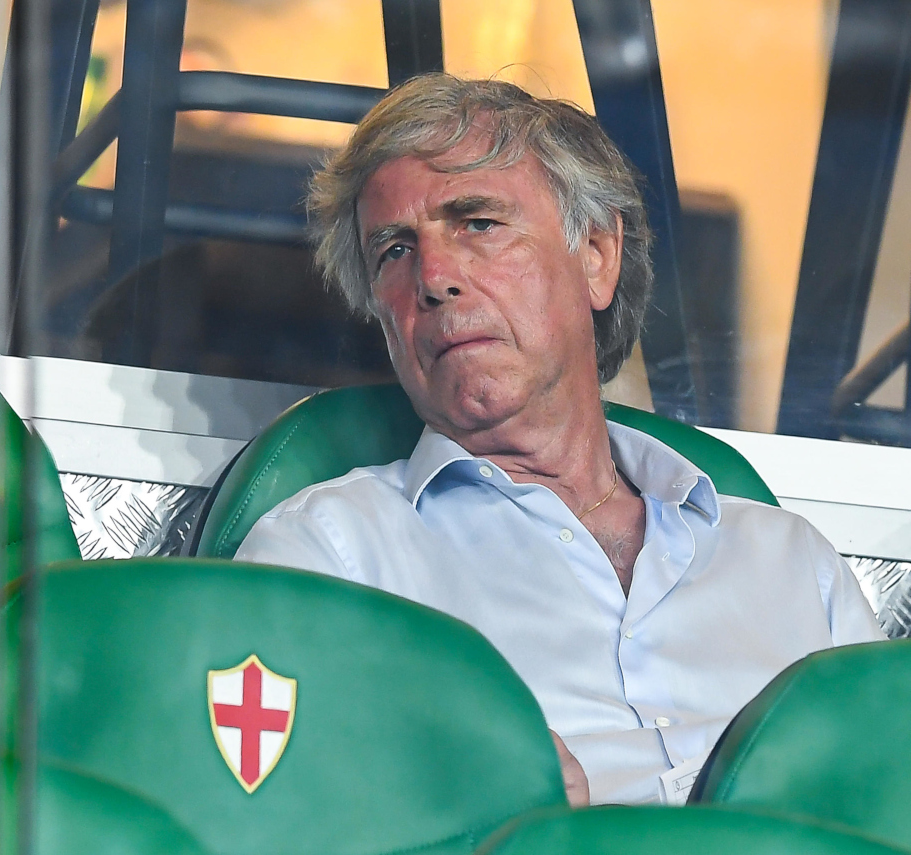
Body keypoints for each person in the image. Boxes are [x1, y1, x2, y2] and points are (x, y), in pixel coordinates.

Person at [234, 74, 884, 806]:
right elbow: (269, 818)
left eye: (478, 223)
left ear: (597, 255)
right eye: (394, 251)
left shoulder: (795, 566)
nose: (434, 278)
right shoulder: (331, 557)